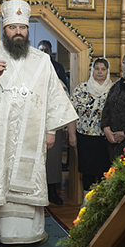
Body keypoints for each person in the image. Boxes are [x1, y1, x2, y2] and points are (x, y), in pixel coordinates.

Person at [0, 0, 78, 246]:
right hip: (0, 136)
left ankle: (27, 234)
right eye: (12, 27)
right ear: (4, 29)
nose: (18, 32)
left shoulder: (42, 60)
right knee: (0, 179)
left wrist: (51, 130)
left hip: (32, 135)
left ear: (27, 30)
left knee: (28, 180)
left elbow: (55, 96)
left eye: (22, 27)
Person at [37, 39, 73, 205]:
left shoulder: (58, 72)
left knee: (53, 159)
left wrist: (65, 126)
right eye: (41, 50)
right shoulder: (33, 71)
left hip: (54, 122)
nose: (43, 53)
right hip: (36, 122)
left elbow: (64, 101)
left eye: (46, 50)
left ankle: (52, 191)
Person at [71, 57, 113, 192]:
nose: (99, 72)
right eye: (97, 68)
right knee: (87, 174)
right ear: (92, 70)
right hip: (85, 138)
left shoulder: (114, 89)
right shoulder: (81, 89)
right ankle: (87, 201)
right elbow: (71, 113)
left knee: (104, 174)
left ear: (107, 71)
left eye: (103, 69)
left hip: (106, 139)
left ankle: (101, 202)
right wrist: (71, 135)